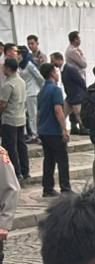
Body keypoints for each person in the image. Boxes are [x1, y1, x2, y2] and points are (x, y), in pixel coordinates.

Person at [36, 62, 71, 197]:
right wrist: (64, 129)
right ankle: (65, 188)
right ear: (51, 73)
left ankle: (48, 187)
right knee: (62, 160)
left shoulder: (41, 91)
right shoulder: (56, 90)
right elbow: (58, 110)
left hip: (44, 130)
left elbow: (39, 112)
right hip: (54, 130)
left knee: (49, 160)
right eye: (56, 71)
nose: (57, 74)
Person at [0, 58, 29, 181]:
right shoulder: (21, 81)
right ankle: (25, 170)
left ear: (8, 68)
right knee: (21, 145)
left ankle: (16, 173)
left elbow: (2, 104)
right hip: (21, 117)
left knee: (10, 147)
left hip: (10, 119)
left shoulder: (8, 85)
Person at [55, 51, 86, 136]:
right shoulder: (63, 70)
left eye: (54, 61)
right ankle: (60, 128)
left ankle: (83, 128)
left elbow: (80, 80)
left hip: (76, 95)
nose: (53, 63)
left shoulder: (70, 69)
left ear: (59, 60)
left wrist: (83, 92)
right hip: (70, 95)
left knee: (78, 114)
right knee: (64, 112)